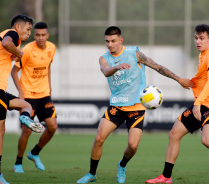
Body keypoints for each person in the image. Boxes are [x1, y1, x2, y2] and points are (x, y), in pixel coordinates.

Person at [76, 26, 194, 183]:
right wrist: (116, 67)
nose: (110, 44)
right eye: (107, 41)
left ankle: (122, 165)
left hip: (136, 108)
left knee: (132, 146)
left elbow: (158, 67)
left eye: (113, 41)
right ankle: (91, 174)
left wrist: (179, 79)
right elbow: (105, 71)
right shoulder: (104, 58)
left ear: (121, 40)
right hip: (117, 106)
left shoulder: (134, 54)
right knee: (99, 138)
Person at [145, 24, 209, 184]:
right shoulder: (203, 55)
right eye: (196, 37)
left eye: (202, 38)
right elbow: (204, 79)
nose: (198, 41)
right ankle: (166, 177)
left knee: (207, 140)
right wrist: (191, 84)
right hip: (202, 103)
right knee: (174, 134)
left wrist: (198, 103)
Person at [0, 15, 45, 184]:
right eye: (28, 30)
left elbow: (4, 49)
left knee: (25, 105)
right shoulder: (12, 34)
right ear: (18, 27)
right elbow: (6, 43)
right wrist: (19, 53)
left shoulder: (9, 38)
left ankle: (25, 117)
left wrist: (15, 54)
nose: (29, 34)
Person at [11, 22, 57, 173]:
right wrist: (21, 92)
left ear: (47, 36)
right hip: (28, 96)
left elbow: (48, 66)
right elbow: (13, 72)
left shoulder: (52, 48)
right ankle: (18, 162)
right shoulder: (27, 50)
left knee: (52, 127)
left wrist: (49, 88)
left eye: (43, 35)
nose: (40, 38)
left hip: (44, 95)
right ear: (34, 35)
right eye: (37, 35)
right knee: (27, 131)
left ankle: (35, 153)